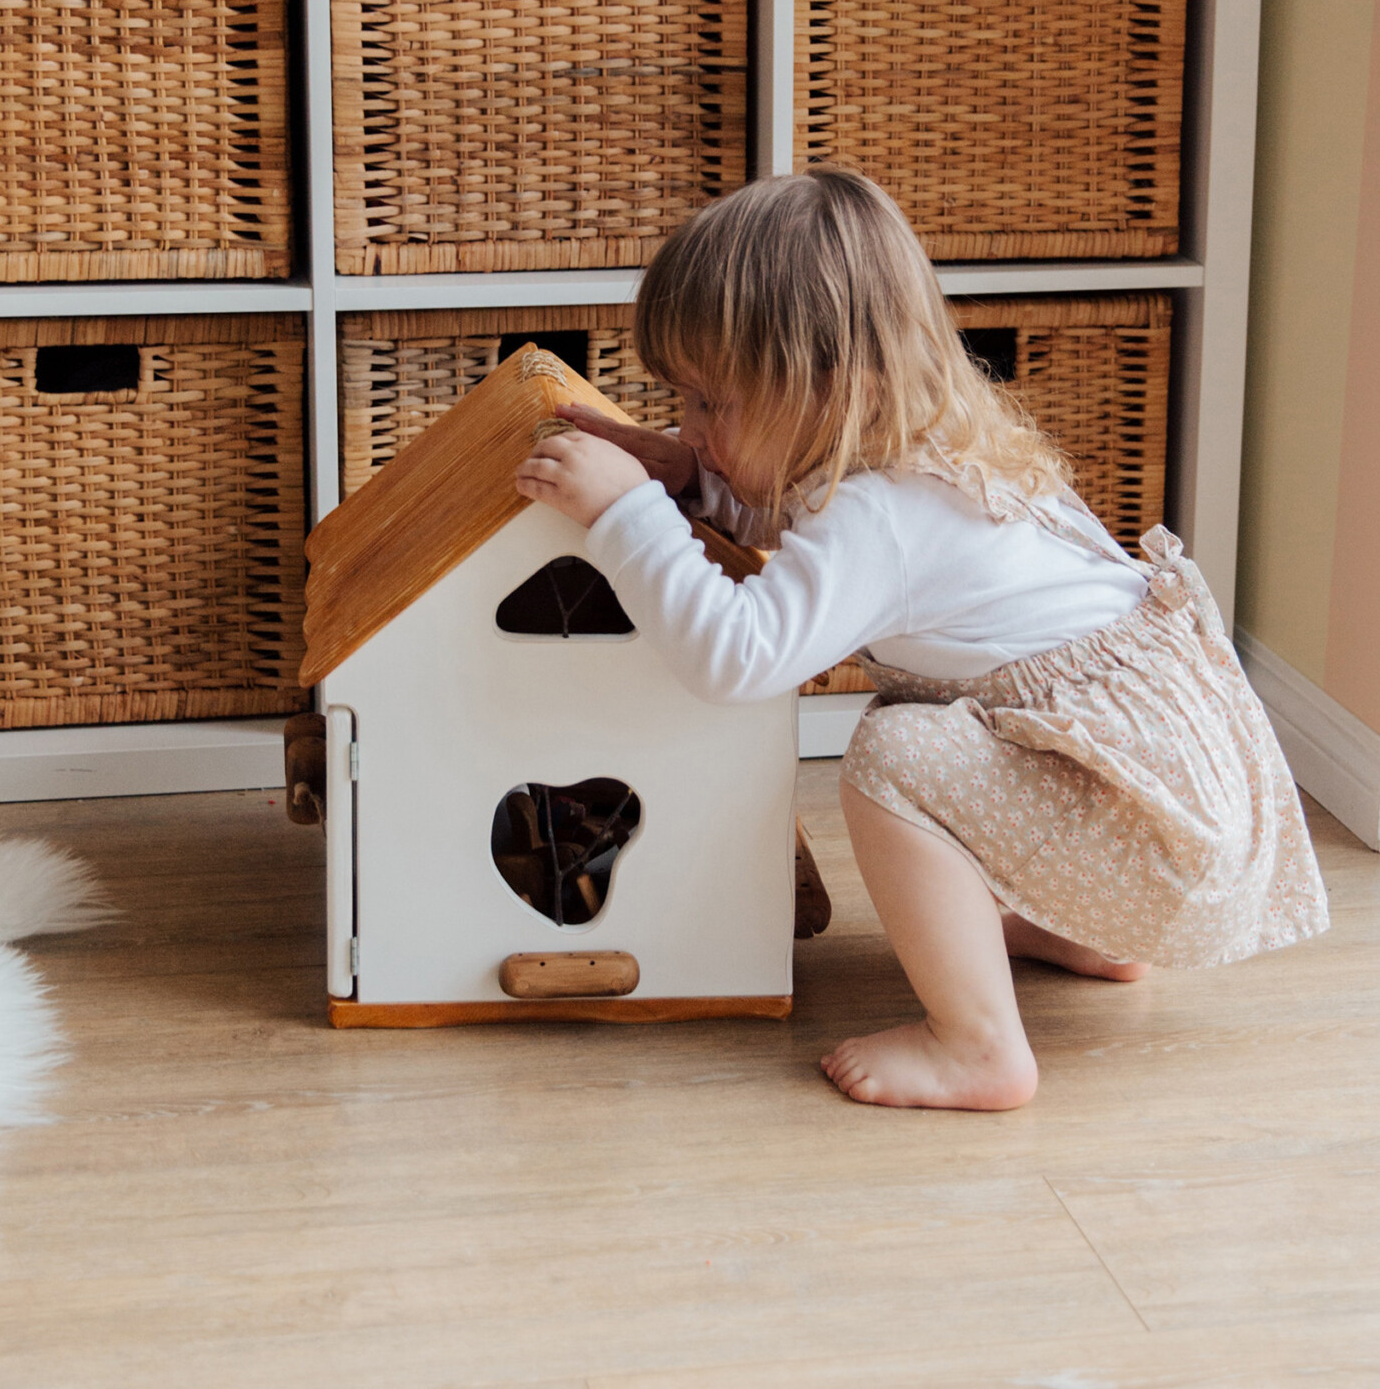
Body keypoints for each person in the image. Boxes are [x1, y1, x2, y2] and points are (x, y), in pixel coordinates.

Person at [515, 170, 1327, 1112]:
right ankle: (1091, 934)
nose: (689, 428)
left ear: (830, 385)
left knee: (896, 751)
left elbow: (735, 657)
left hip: (1155, 847)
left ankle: (979, 1048)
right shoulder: (934, 441)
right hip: (1168, 816)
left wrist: (628, 519)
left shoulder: (882, 517)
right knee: (937, 734)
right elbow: (810, 515)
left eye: (710, 405)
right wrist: (698, 487)